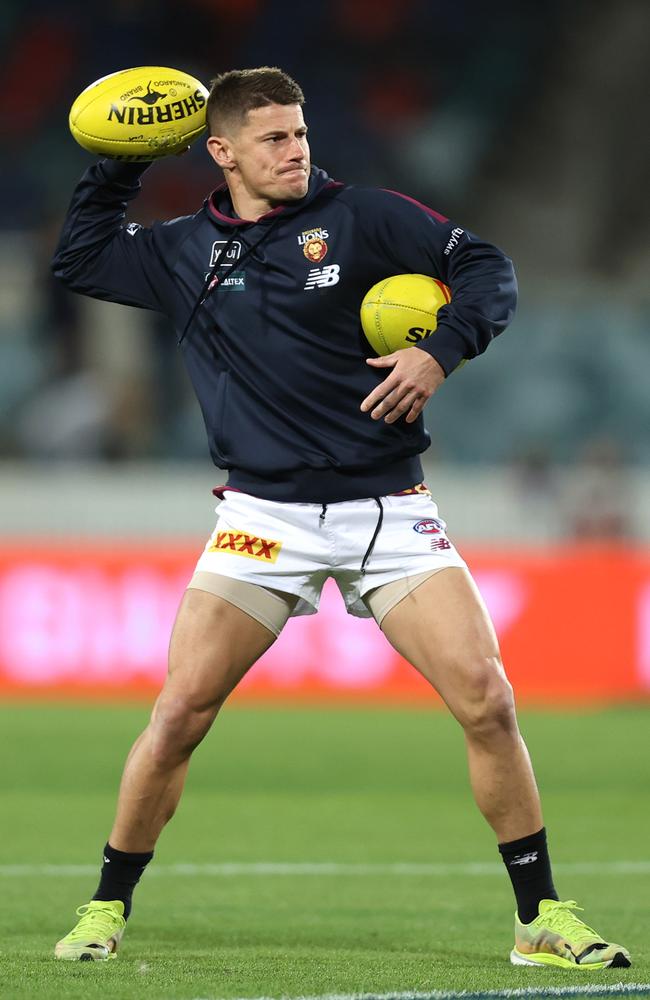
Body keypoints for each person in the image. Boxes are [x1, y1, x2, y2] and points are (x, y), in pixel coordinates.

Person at [51, 67, 630, 970]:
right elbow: (80, 259)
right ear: (222, 151)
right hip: (262, 518)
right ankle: (105, 906)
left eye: (301, 133)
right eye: (274, 138)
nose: (296, 150)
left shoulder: (363, 217)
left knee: (489, 700)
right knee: (179, 716)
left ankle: (541, 919)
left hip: (389, 509)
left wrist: (440, 353)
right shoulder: (181, 253)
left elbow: (487, 269)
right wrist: (116, 166)